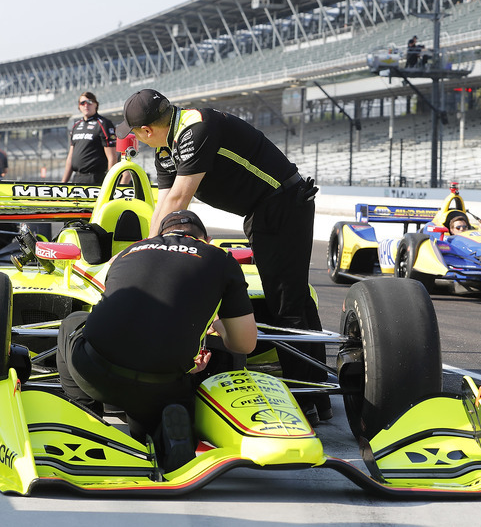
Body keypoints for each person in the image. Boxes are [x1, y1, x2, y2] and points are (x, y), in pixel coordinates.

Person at [116, 89, 330, 423]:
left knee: (286, 304)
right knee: (295, 300)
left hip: (282, 204)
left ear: (145, 131)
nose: (139, 142)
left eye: (135, 136)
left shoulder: (195, 128)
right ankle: (318, 394)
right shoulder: (166, 149)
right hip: (264, 211)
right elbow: (163, 205)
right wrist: (146, 250)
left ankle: (304, 398)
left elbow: (180, 199)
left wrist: (145, 256)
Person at [56, 210, 257, 471]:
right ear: (205, 239)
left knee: (72, 322)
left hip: (97, 372)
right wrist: (215, 319)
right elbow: (245, 344)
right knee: (156, 405)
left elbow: (121, 311)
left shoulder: (129, 252)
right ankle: (163, 436)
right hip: (160, 383)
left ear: (160, 234)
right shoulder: (220, 259)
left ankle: (87, 420)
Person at [61, 91, 118, 185]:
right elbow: (70, 158)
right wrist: (63, 183)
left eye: (90, 102)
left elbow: (112, 157)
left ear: (96, 104)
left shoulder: (104, 124)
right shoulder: (76, 126)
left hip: (95, 178)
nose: (86, 105)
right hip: (77, 178)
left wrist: (110, 183)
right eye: (82, 103)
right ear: (79, 107)